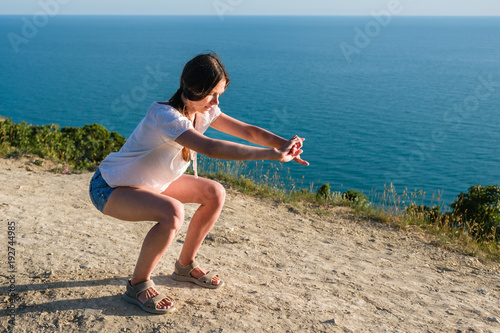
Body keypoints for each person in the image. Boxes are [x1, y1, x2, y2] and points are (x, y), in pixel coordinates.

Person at [89, 53, 309, 314]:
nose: (216, 102)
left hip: (151, 183)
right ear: (194, 88)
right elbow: (210, 148)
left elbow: (248, 131)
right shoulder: (166, 116)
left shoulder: (204, 111)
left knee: (214, 192)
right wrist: (271, 155)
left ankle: (185, 266)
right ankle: (137, 285)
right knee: (172, 212)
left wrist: (282, 144)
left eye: (220, 94)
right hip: (111, 187)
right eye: (212, 94)